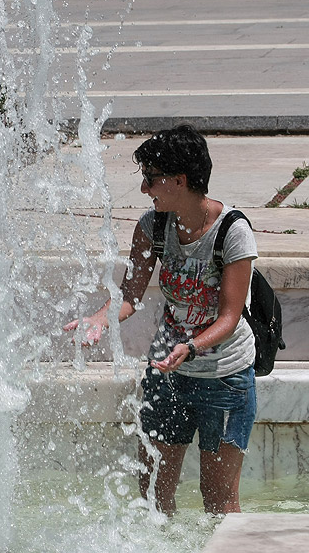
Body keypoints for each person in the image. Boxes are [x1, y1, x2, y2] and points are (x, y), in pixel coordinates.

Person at [64, 124, 258, 516]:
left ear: (179, 181)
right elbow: (130, 296)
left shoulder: (232, 233)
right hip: (166, 373)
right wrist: (101, 318)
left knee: (218, 500)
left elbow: (230, 317)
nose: (144, 190)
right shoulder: (153, 226)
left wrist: (191, 346)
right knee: (153, 494)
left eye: (150, 179)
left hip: (224, 378)